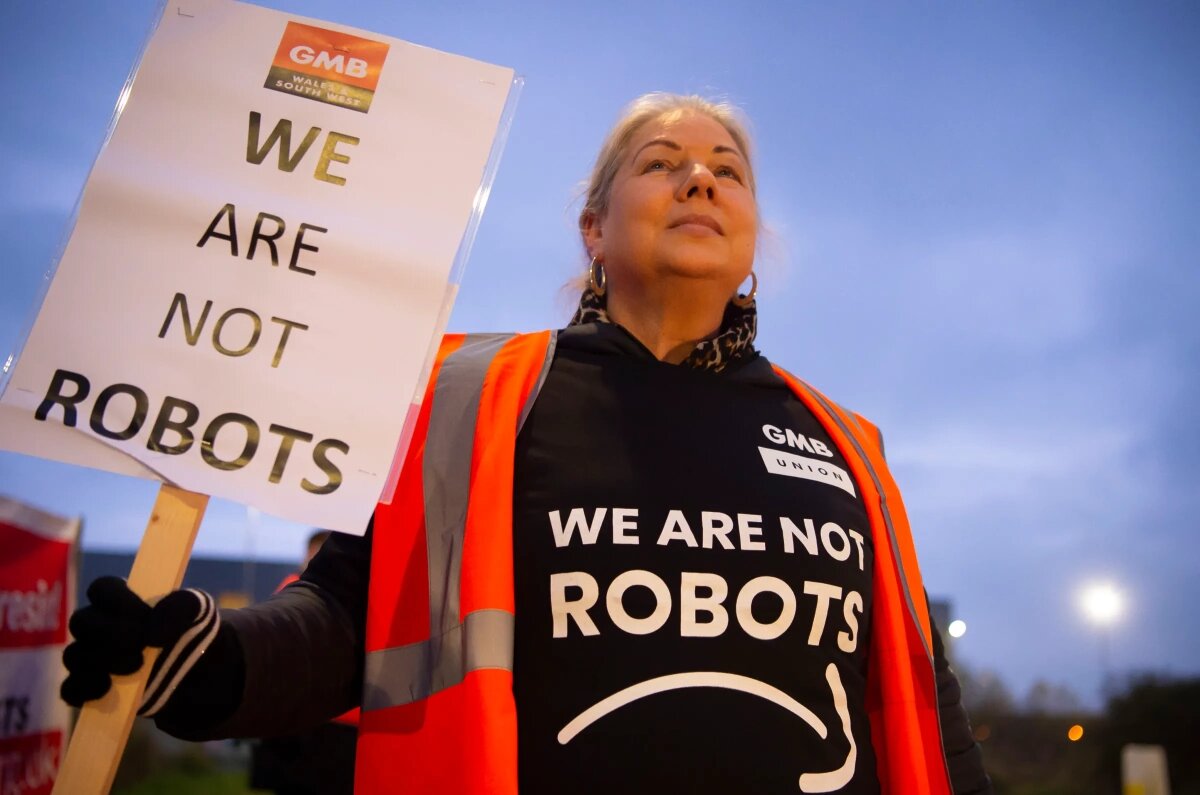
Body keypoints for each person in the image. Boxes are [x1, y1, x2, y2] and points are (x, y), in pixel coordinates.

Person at [62, 93, 991, 794]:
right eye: (663, 163)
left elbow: (921, 705)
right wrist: (200, 653)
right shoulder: (471, 396)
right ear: (594, 226)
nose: (701, 178)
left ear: (752, 236)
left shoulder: (845, 444)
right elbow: (353, 622)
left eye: (729, 170)